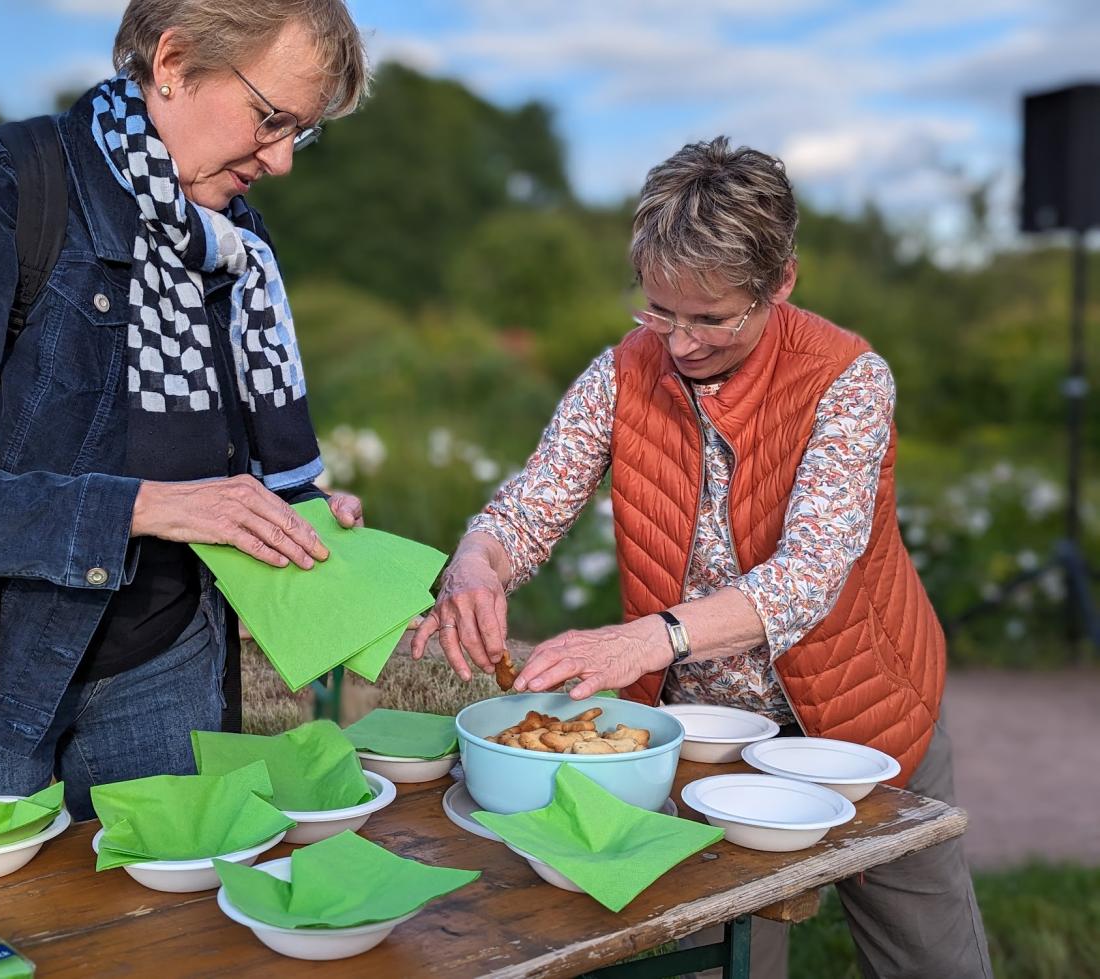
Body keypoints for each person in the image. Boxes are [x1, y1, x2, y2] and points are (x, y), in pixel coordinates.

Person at [0, 0, 369, 862]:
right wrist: (146, 507)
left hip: (160, 663)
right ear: (173, 62)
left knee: (164, 941)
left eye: (305, 133)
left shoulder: (229, 242)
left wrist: (294, 510)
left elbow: (205, 460)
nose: (284, 159)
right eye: (272, 118)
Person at [413, 137, 992, 979]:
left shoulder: (849, 378)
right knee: (718, 952)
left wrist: (645, 639)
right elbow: (527, 509)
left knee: (928, 959)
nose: (678, 345)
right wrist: (475, 561)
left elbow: (808, 576)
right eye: (659, 311)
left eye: (711, 317)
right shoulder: (619, 374)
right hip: (701, 735)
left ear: (780, 283)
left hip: (860, 712)